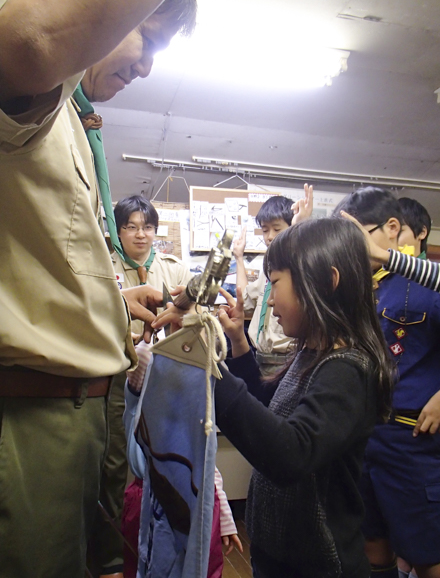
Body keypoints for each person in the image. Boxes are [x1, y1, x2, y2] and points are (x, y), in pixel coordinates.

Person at [0, 0, 196, 576]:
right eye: (148, 36)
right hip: (31, 407)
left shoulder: (76, 126)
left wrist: (110, 298)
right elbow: (25, 40)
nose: (146, 66)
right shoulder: (35, 93)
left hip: (80, 407)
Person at [154, 217, 392, 578]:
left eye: (276, 283)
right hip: (277, 556)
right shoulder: (314, 354)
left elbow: (290, 452)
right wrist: (237, 344)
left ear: (327, 283)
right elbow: (270, 408)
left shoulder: (348, 369)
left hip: (317, 565)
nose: (270, 296)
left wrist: (206, 372)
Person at [334, 187, 440, 578]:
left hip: (411, 440)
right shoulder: (362, 289)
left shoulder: (431, 287)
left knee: (429, 554)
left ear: (392, 228)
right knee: (371, 544)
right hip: (365, 436)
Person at [90, 195, 192, 577]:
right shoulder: (105, 268)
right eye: (131, 226)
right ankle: (116, 554)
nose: (140, 234)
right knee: (117, 460)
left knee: (166, 456)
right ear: (118, 231)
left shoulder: (175, 269)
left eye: (147, 226)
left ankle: (160, 541)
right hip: (118, 373)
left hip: (167, 376)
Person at [122, 339, 243, 578]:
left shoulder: (195, 415)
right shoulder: (143, 388)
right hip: (150, 500)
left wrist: (226, 518)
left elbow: (208, 469)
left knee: (202, 568)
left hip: (199, 503)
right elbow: (142, 361)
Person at [233, 185, 313, 376]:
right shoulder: (268, 268)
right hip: (259, 358)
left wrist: (301, 228)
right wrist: (238, 257)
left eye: (277, 229)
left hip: (288, 361)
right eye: (265, 230)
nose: (269, 237)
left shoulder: (301, 263)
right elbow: (245, 299)